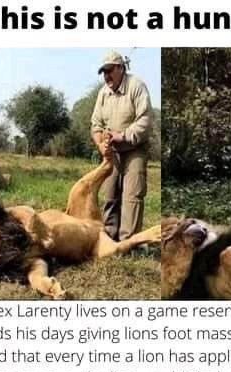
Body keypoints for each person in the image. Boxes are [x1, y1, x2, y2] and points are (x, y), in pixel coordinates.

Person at [91, 51, 153, 241]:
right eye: (104, 72)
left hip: (135, 148)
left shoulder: (137, 86)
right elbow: (96, 123)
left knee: (132, 195)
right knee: (109, 193)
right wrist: (100, 144)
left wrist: (123, 135)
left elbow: (146, 119)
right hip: (112, 151)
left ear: (121, 69)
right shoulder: (103, 92)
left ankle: (129, 241)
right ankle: (110, 237)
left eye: (110, 70)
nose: (106, 76)